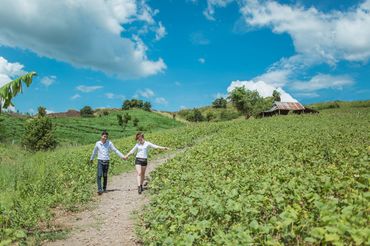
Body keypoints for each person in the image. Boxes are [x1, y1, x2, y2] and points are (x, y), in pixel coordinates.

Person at [90, 130, 125, 195]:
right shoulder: (98, 143)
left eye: (106, 137)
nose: (105, 138)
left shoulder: (109, 143)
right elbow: (94, 152)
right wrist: (91, 159)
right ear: (101, 136)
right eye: (104, 136)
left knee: (105, 175)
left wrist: (122, 156)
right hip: (100, 161)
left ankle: (104, 188)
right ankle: (99, 189)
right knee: (99, 175)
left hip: (106, 161)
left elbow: (115, 150)